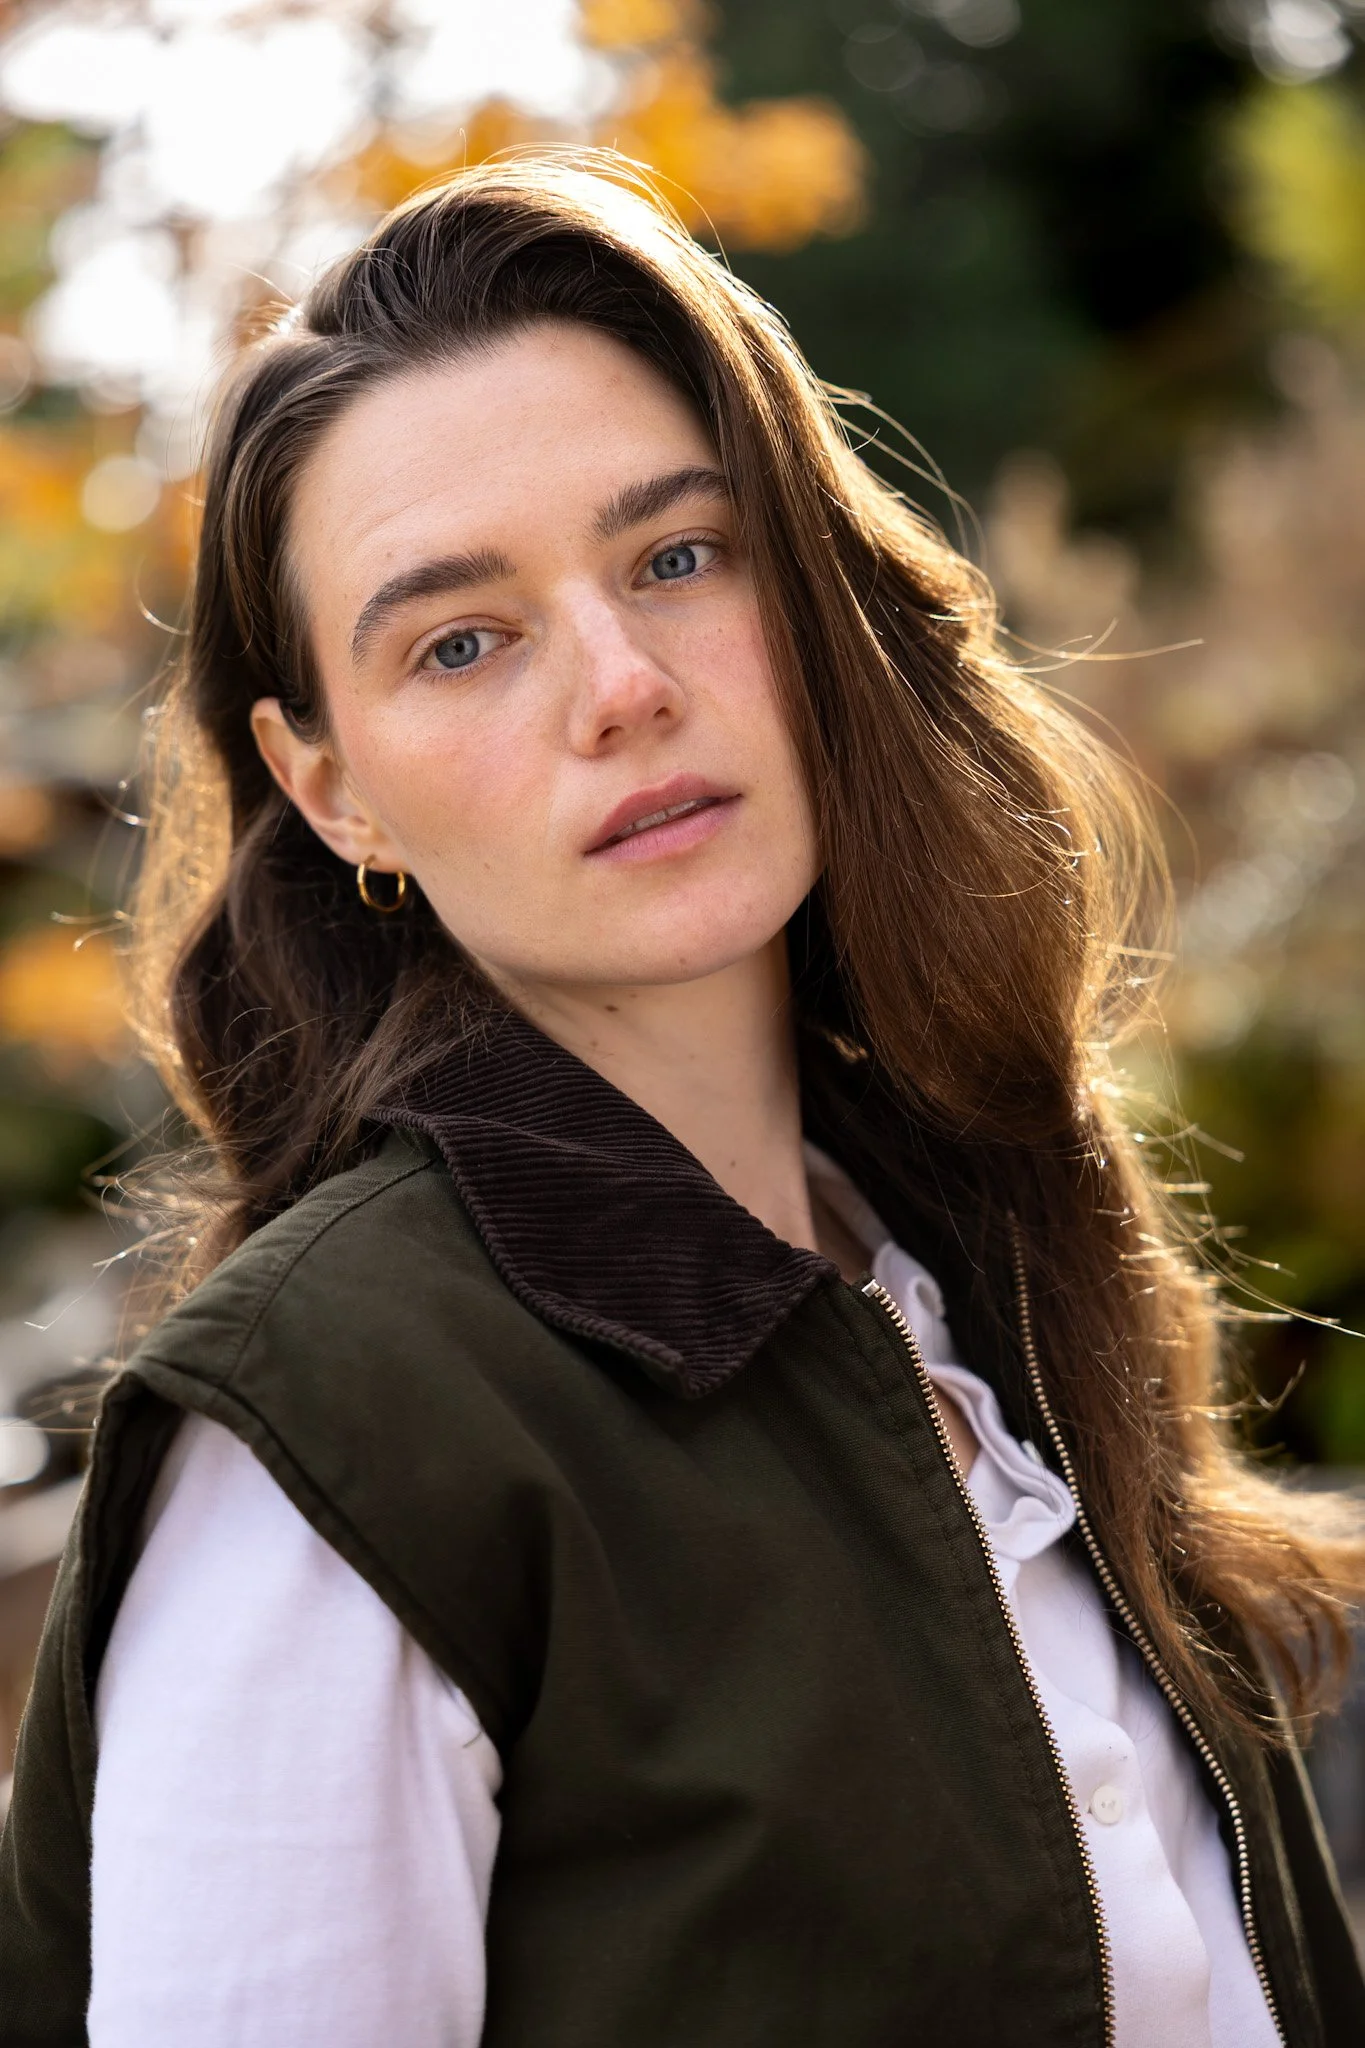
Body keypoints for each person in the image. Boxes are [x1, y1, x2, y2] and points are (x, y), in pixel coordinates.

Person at [1, 151, 1362, 2048]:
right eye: (461, 641)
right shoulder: (339, 1442)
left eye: (678, 556)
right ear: (335, 792)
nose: (624, 685)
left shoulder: (987, 1271)